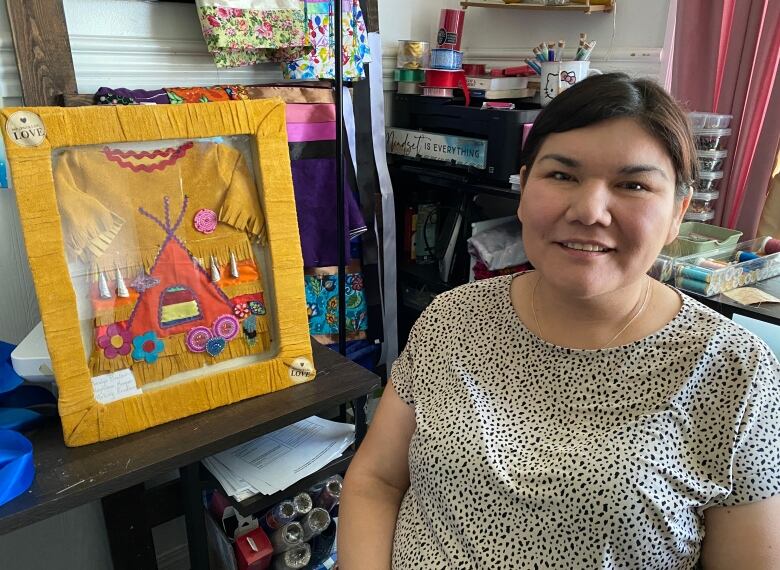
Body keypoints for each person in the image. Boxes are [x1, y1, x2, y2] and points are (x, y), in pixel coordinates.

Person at [337, 73, 780, 569]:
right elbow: (377, 482)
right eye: (562, 175)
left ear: (678, 213)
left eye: (632, 185)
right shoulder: (450, 319)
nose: (589, 210)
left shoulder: (735, 371)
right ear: (524, 189)